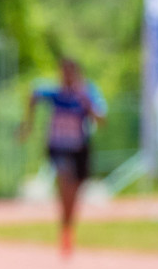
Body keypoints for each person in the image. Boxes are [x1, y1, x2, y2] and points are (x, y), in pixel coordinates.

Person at [21, 58, 106, 258]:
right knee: (65, 183)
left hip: (79, 148)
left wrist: (88, 104)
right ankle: (65, 227)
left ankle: (68, 226)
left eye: (70, 72)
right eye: (63, 72)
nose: (66, 77)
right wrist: (28, 124)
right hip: (58, 147)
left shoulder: (87, 93)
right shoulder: (54, 92)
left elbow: (102, 120)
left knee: (74, 192)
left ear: (77, 73)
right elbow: (33, 92)